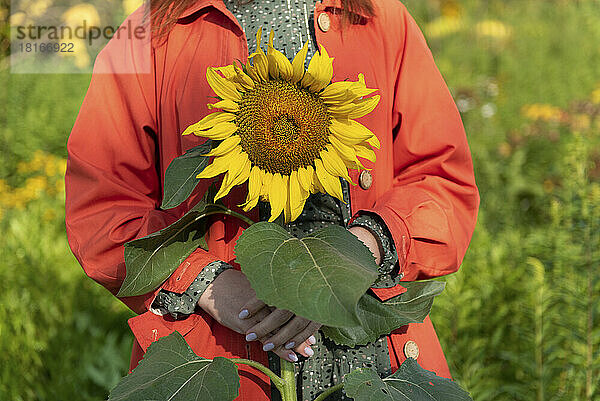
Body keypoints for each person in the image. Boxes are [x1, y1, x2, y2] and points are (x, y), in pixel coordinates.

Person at [65, 0, 480, 399]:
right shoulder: (151, 33)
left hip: (371, 352)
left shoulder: (379, 18)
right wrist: (208, 283)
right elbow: (104, 207)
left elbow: (442, 179)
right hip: (227, 345)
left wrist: (351, 260)